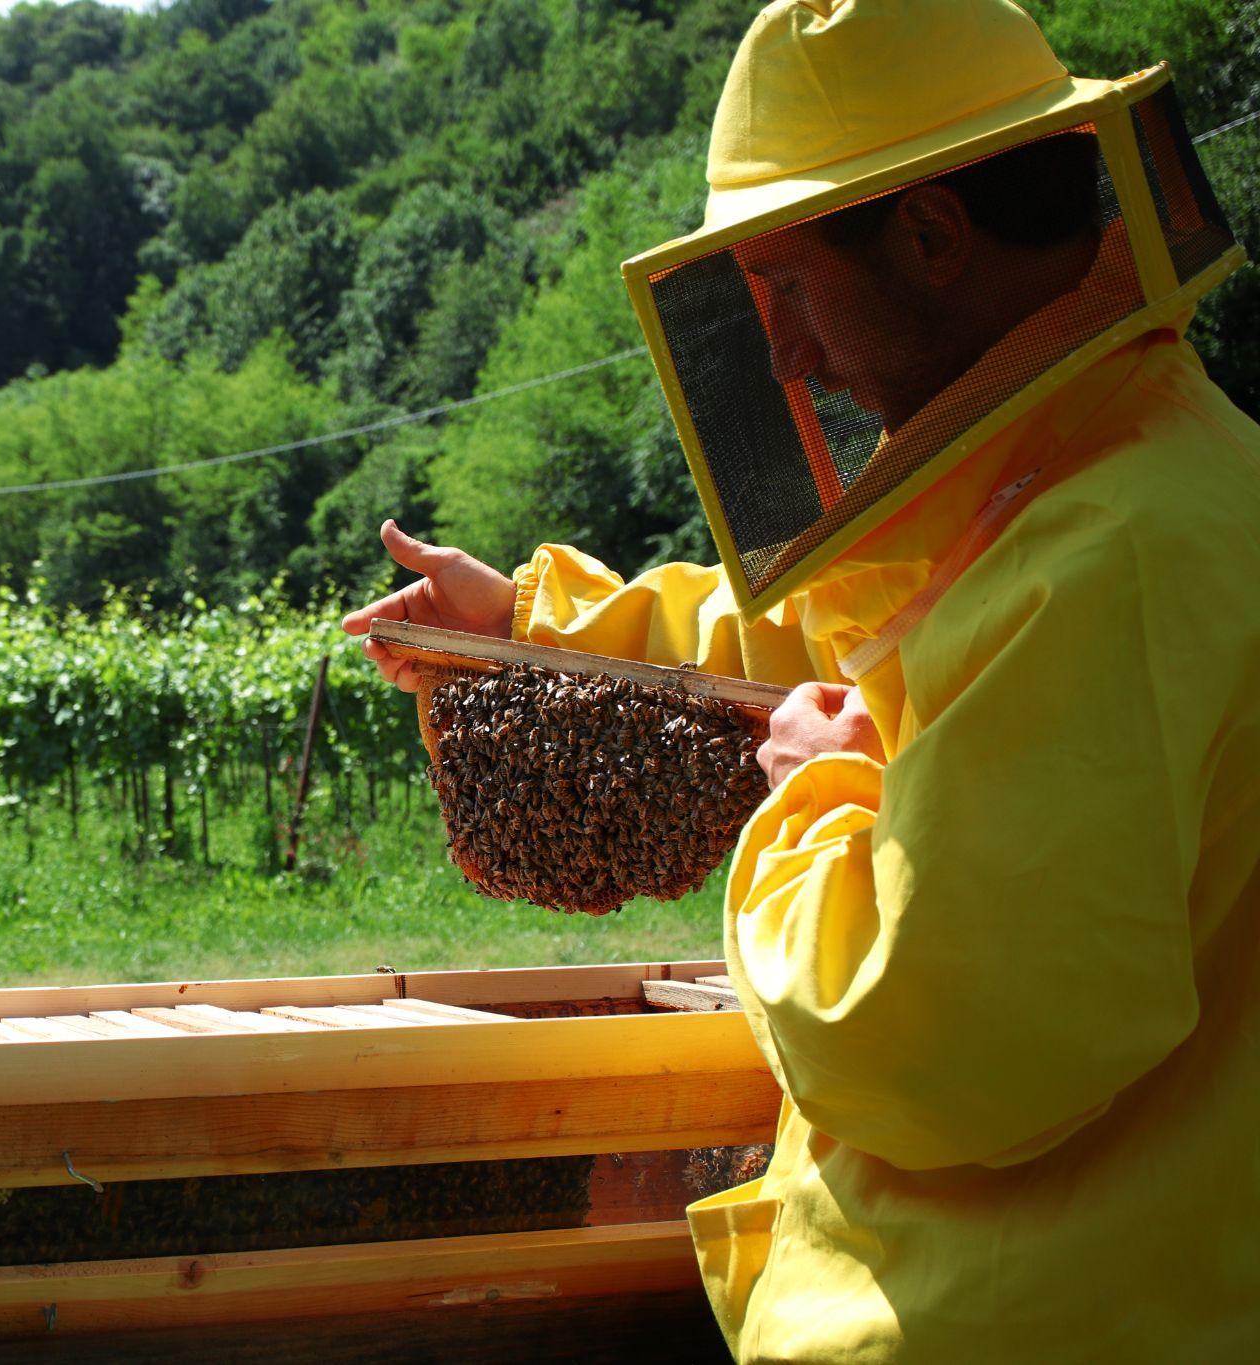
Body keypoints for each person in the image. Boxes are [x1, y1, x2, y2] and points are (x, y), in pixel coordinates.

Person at [345, 0, 1259, 1358]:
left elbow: (932, 1035)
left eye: (787, 289)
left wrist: (819, 801)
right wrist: (537, 625)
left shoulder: (1107, 557)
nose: (782, 354)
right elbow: (848, 631)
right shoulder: (1095, 472)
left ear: (932, 239)